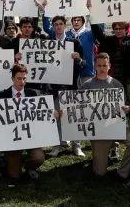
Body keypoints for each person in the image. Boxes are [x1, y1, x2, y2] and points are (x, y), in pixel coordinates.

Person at [80, 53, 130, 180]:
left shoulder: (117, 84)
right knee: (100, 173)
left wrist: (127, 109)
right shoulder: (87, 85)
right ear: (95, 66)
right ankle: (100, 160)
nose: (101, 68)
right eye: (99, 65)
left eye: (104, 65)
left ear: (109, 66)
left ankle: (123, 173)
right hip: (99, 130)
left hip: (116, 125)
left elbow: (124, 105)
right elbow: (78, 107)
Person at [0, 64, 45, 180]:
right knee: (14, 176)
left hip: (31, 136)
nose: (22, 82)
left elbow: (43, 113)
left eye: (24, 78)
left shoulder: (34, 94)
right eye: (19, 78)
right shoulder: (2, 95)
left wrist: (54, 114)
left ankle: (29, 167)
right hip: (12, 138)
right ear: (12, 79)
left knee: (39, 158)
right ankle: (16, 164)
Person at [44, 15, 85, 158]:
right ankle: (57, 145)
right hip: (54, 87)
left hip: (71, 86)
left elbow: (83, 64)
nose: (58, 26)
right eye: (55, 24)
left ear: (65, 26)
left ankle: (76, 145)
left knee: (74, 117)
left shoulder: (74, 42)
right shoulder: (47, 43)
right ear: (53, 27)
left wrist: (78, 58)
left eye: (60, 24)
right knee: (57, 117)